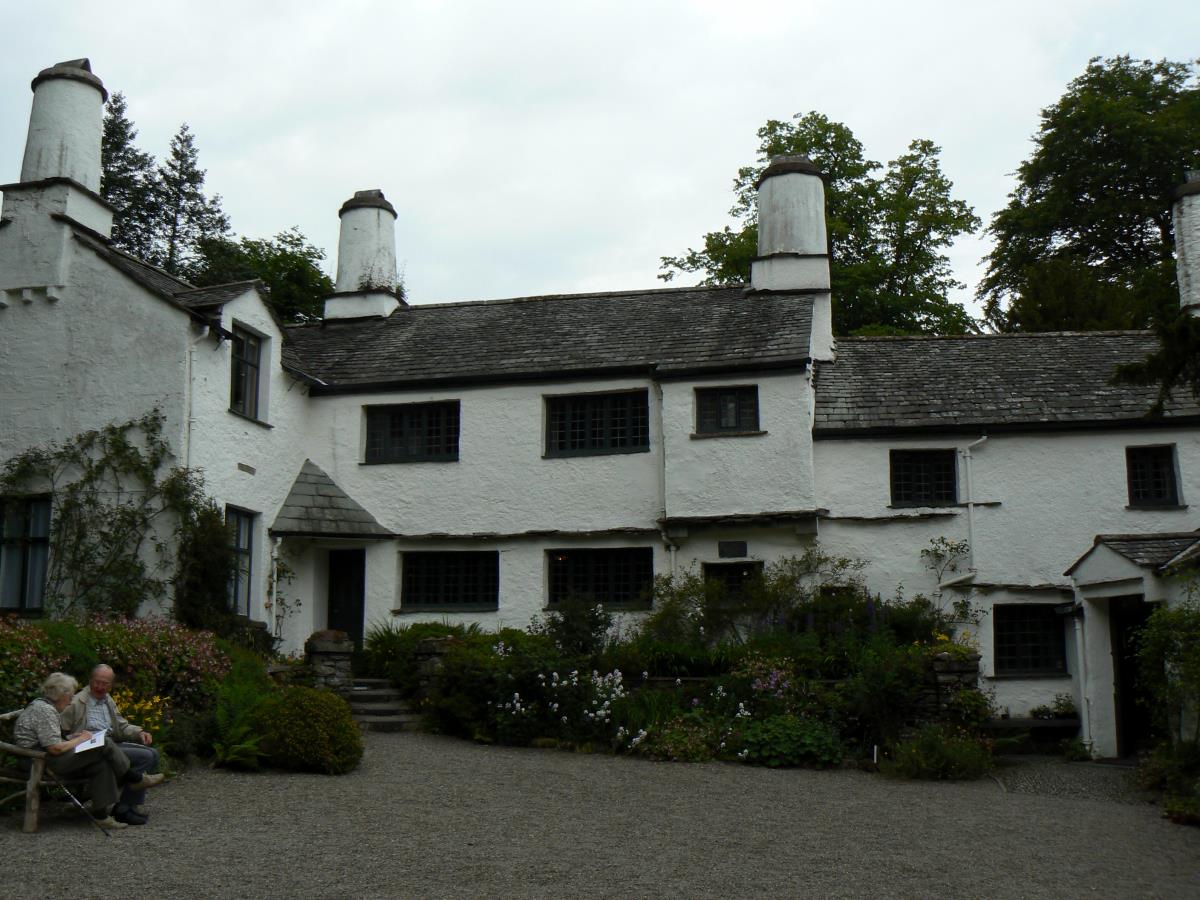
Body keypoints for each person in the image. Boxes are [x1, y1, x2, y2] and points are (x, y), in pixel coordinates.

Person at [13, 672, 157, 830]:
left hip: (45, 757)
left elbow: (50, 739)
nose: (71, 700)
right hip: (38, 762)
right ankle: (134, 778)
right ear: (61, 695)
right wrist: (80, 740)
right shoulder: (45, 711)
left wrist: (71, 738)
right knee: (103, 742)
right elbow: (53, 748)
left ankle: (101, 816)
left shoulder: (44, 707)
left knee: (101, 763)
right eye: (70, 695)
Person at [60, 663, 164, 826]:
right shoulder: (77, 702)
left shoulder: (107, 700)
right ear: (90, 680)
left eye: (105, 683)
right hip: (91, 750)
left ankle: (125, 805)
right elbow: (61, 731)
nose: (100, 687)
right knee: (145, 756)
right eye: (97, 682)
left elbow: (121, 726)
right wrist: (75, 737)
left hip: (111, 744)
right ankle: (125, 807)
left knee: (153, 753)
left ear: (111, 684)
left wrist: (139, 733)